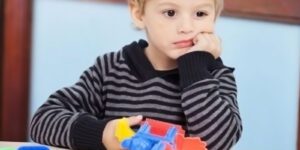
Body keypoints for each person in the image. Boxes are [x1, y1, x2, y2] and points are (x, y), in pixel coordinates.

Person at [29, 0, 242, 149]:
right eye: (170, 13)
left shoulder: (214, 76)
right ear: (138, 14)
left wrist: (195, 68)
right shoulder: (110, 69)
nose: (187, 27)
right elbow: (42, 121)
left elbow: (218, 143)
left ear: (215, 16)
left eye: (200, 14)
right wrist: (102, 135)